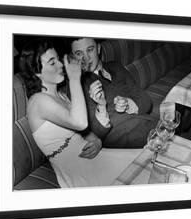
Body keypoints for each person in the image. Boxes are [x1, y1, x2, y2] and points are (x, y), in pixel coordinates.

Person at [23, 39, 142, 188]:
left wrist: (96, 141)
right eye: (53, 63)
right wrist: (74, 78)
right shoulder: (38, 101)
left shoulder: (60, 95)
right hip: (76, 168)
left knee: (143, 161)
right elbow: (80, 123)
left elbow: (81, 131)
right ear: (37, 72)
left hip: (90, 155)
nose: (61, 65)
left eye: (59, 60)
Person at [69, 37, 158, 148]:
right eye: (79, 53)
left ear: (98, 48)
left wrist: (128, 103)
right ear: (73, 57)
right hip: (126, 140)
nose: (86, 58)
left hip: (148, 126)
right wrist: (101, 106)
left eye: (90, 50)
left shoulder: (115, 67)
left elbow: (145, 100)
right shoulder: (77, 85)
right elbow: (96, 133)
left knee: (178, 113)